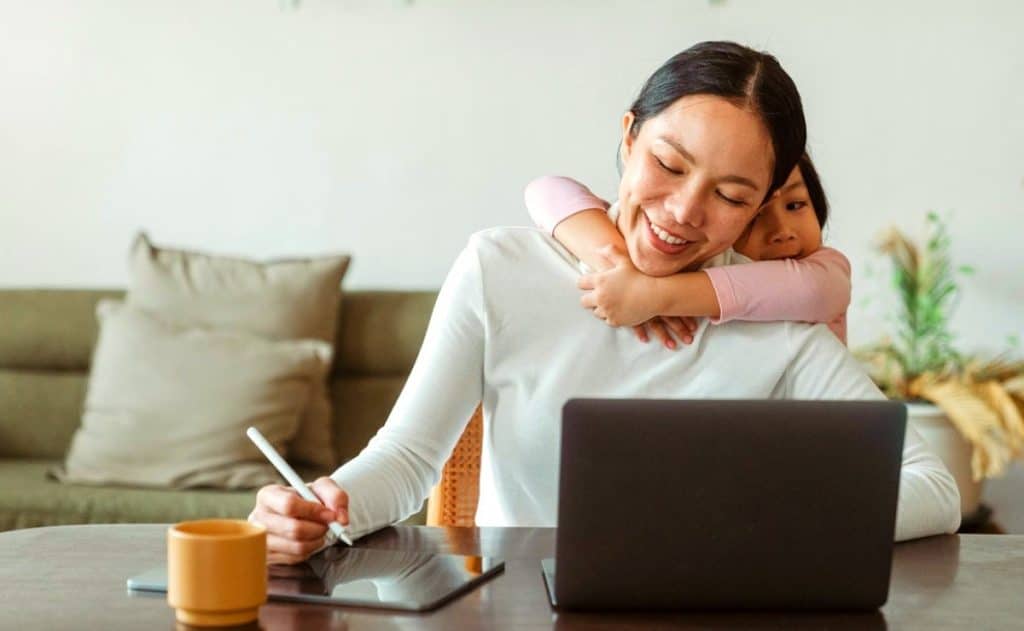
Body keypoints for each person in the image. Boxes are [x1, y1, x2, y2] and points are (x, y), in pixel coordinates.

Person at [249, 41, 961, 565]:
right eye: (668, 164)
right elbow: (406, 461)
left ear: (762, 205)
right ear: (627, 138)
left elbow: (933, 487)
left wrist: (778, 518)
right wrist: (319, 505)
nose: (683, 211)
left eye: (731, 195)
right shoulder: (501, 269)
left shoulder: (777, 321)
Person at [523, 152, 850, 348]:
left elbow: (813, 290)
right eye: (754, 216)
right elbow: (546, 190)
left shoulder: (825, 270)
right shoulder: (702, 262)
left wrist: (653, 294)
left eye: (796, 204)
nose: (782, 232)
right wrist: (620, 268)